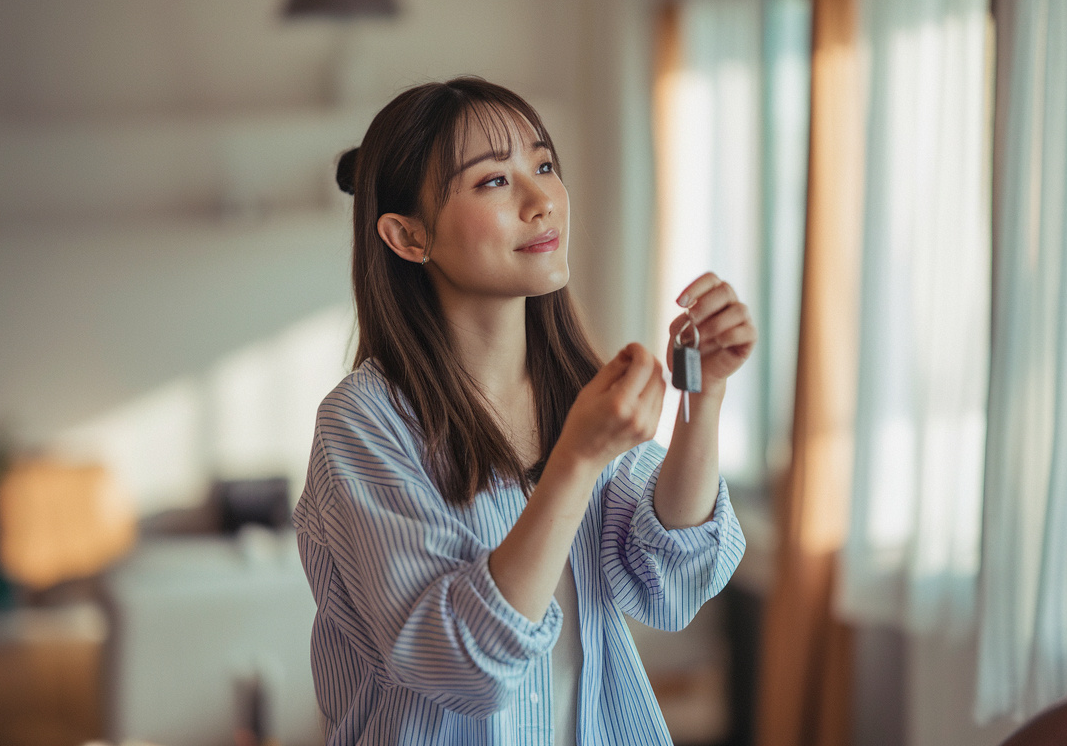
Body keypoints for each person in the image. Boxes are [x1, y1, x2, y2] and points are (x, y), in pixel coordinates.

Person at [293, 76, 755, 745]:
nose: (543, 201)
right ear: (407, 236)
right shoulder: (363, 424)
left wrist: (703, 396)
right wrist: (575, 461)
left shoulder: (576, 393)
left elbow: (671, 579)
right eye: (492, 182)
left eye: (542, 166)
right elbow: (457, 665)